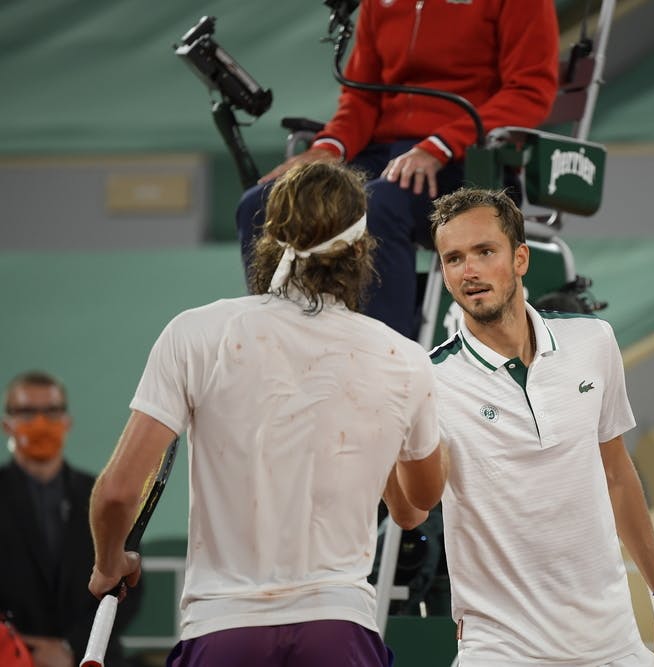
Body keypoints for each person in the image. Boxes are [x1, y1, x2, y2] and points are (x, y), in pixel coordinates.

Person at [88, 161, 447, 667]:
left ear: (269, 236)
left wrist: (109, 563)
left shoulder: (196, 333)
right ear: (362, 250)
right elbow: (417, 506)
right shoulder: (403, 358)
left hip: (222, 629)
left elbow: (118, 493)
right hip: (338, 630)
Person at [428, 189, 654, 667]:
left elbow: (617, 477)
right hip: (500, 650)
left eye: (484, 252)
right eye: (453, 259)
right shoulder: (428, 379)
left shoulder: (594, 341)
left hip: (612, 643)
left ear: (520, 258)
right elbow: (407, 507)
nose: (468, 271)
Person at [236, 0, 560, 339]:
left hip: (469, 160)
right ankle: (277, 346)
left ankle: (387, 361)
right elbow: (361, 97)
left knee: (376, 206)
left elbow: (529, 90)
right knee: (263, 204)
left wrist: (439, 145)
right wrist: (326, 149)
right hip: (382, 153)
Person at [0, 371, 139, 667]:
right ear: (6, 424)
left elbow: (130, 583)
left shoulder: (101, 494)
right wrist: (22, 649)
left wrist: (70, 647)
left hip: (93, 657)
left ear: (67, 421)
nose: (40, 423)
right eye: (26, 412)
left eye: (51, 411)